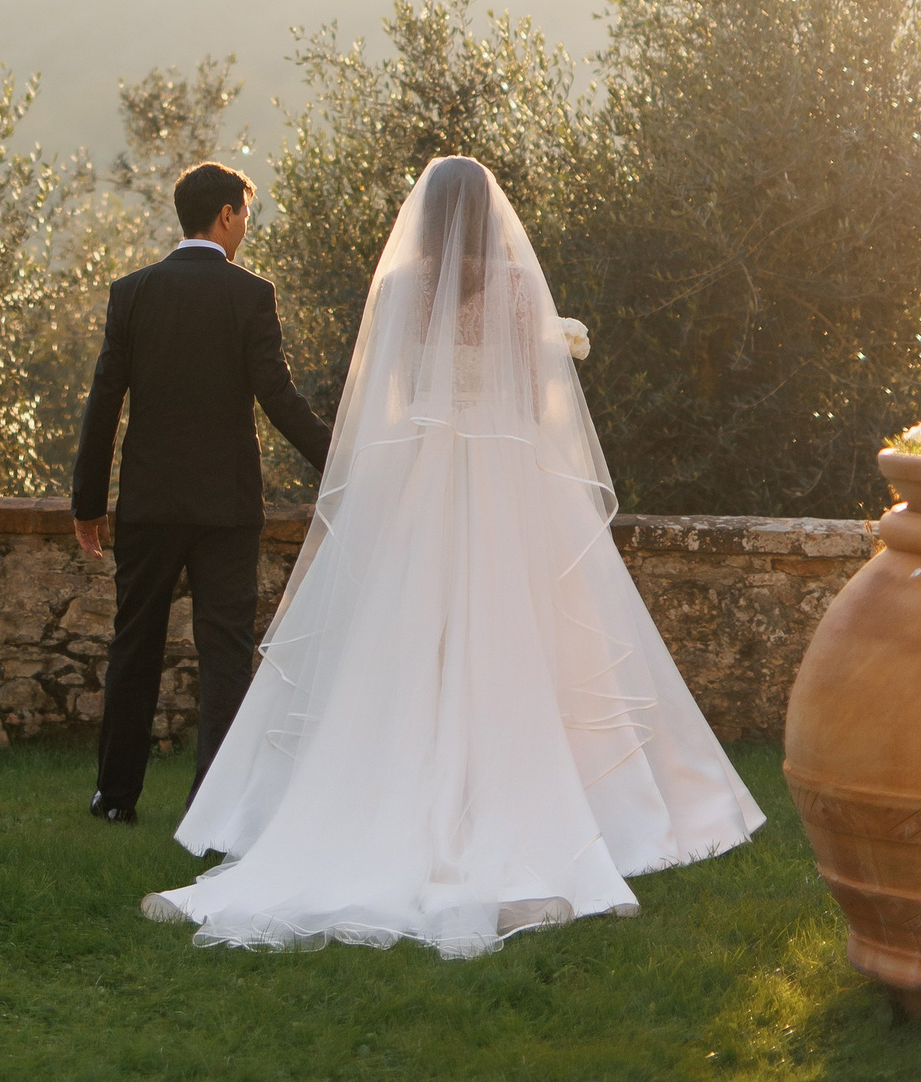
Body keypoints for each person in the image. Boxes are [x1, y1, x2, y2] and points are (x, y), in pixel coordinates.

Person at [141, 155, 764, 955]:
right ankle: (543, 803)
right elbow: (533, 400)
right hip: (504, 470)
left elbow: (396, 390)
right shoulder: (515, 286)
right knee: (523, 631)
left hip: (423, 469)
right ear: (489, 214)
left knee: (406, 636)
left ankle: (376, 798)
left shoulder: (404, 286)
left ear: (428, 215)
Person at [71, 159, 332, 826]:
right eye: (245, 214)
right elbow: (279, 397)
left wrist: (88, 504)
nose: (246, 227)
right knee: (225, 656)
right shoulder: (251, 295)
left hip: (150, 503)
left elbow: (104, 404)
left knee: (135, 645)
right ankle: (212, 809)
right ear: (224, 215)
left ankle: (115, 798)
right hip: (227, 507)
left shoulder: (132, 292)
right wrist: (343, 460)